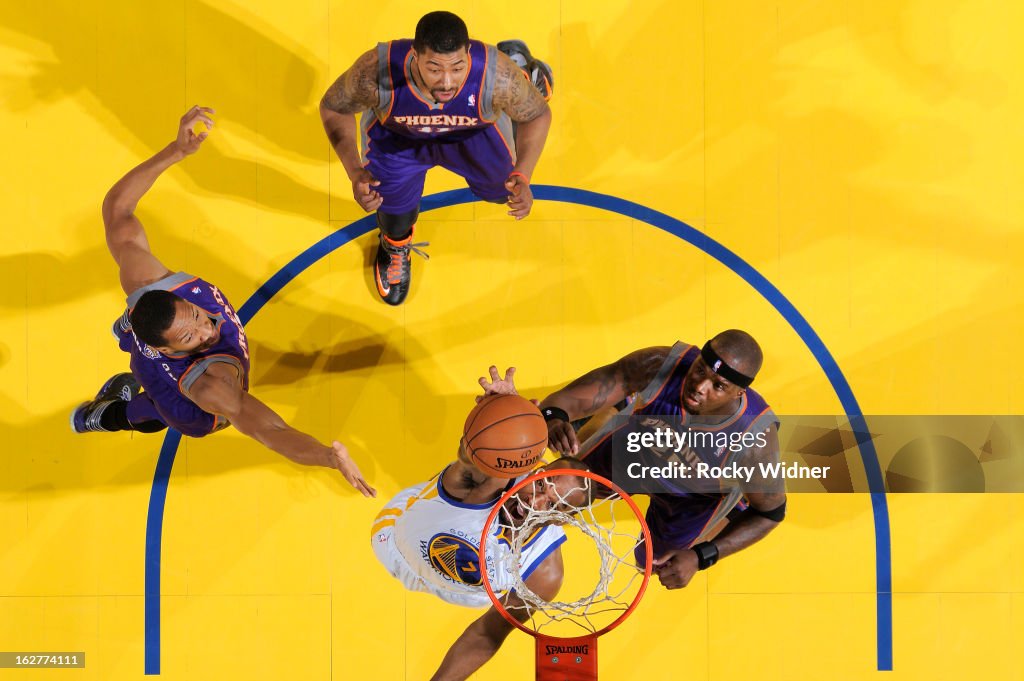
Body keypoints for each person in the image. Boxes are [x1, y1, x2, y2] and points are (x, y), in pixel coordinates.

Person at [71, 106, 375, 498]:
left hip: (165, 356)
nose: (207, 328)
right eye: (191, 336)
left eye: (196, 317)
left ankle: (122, 358)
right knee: (155, 403)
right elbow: (272, 431)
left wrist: (175, 152)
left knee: (150, 343)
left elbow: (117, 210)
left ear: (169, 295)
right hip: (185, 402)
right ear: (168, 347)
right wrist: (328, 457)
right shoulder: (211, 389)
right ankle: (109, 416)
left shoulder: (148, 279)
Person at [319, 11, 553, 305]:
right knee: (389, 207)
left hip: (470, 134)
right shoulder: (377, 71)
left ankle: (522, 73)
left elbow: (537, 115)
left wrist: (523, 173)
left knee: (501, 191)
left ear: (468, 54)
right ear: (415, 56)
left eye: (457, 68)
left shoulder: (495, 77)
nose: (446, 81)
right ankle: (395, 244)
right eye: (434, 69)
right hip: (399, 139)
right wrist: (354, 171)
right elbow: (334, 107)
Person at [371, 368, 589, 681]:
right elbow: (469, 454)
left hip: (464, 594)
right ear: (534, 473)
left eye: (553, 506)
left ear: (562, 520)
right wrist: (505, 416)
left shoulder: (544, 573)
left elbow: (487, 633)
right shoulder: (490, 476)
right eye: (540, 486)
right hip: (395, 546)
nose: (535, 503)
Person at [538, 330, 787, 590]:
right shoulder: (659, 364)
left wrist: (701, 556)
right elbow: (561, 402)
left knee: (654, 564)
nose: (700, 387)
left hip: (693, 497)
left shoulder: (754, 442)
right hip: (636, 452)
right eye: (700, 369)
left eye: (718, 385)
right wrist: (555, 418)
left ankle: (733, 506)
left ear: (739, 393)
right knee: (562, 488)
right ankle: (615, 407)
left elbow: (770, 513)